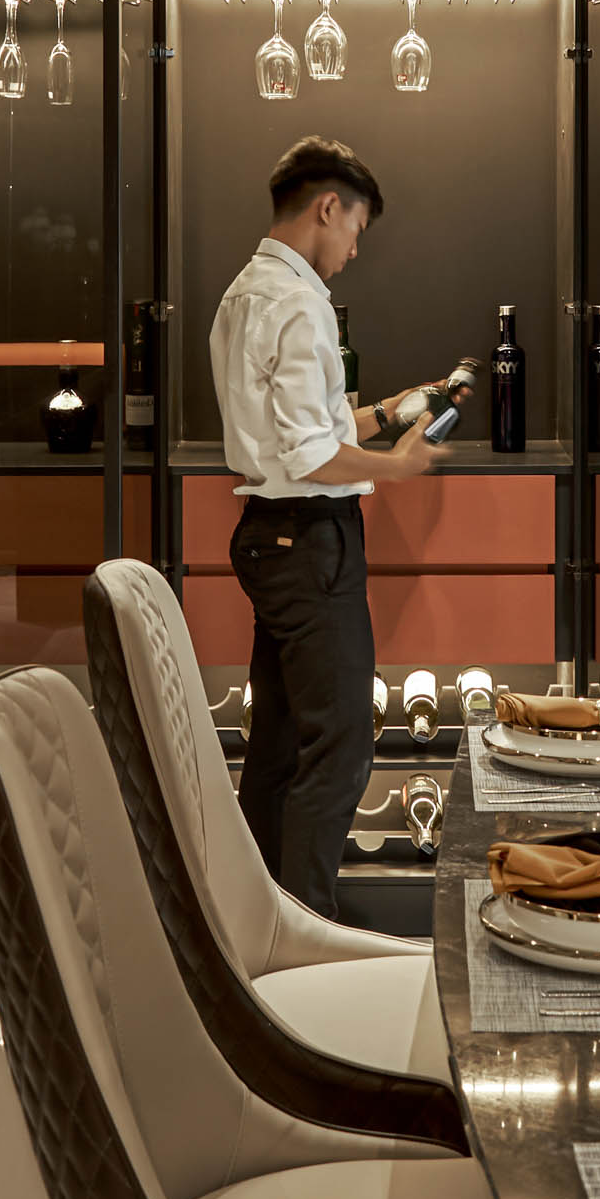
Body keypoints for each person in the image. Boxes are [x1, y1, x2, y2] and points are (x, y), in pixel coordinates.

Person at [208, 136, 466, 919]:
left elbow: (303, 429)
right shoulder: (299, 302)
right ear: (328, 207)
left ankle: (258, 922)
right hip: (310, 543)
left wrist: (393, 409)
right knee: (343, 744)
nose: (354, 250)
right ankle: (307, 931)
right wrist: (400, 464)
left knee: (281, 745)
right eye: (356, 228)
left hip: (271, 537)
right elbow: (311, 454)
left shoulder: (245, 292)